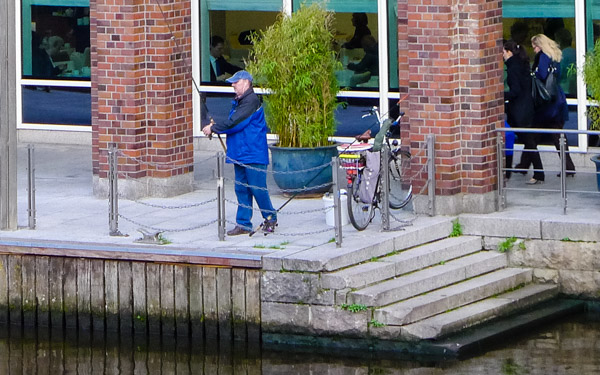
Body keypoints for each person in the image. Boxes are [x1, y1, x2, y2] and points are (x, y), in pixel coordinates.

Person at [202, 70, 277, 236]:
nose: (233, 85)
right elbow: (234, 123)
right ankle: (243, 224)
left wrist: (213, 128)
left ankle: (270, 218)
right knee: (241, 189)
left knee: (258, 189)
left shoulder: (250, 101)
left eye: (236, 82)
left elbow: (236, 123)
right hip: (241, 153)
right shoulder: (241, 101)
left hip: (253, 153)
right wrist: (219, 127)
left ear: (246, 82)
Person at [525, 34, 576, 182]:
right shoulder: (556, 56)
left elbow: (540, 75)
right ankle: (568, 166)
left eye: (534, 46)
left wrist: (531, 74)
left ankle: (527, 167)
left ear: (540, 45)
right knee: (557, 135)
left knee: (532, 134)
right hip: (557, 98)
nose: (534, 50)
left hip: (546, 103)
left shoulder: (543, 57)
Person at [503, 40, 534, 180]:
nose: (502, 56)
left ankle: (539, 173)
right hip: (525, 108)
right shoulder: (522, 64)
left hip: (519, 110)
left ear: (509, 52)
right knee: (528, 141)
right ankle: (530, 169)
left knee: (528, 141)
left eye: (503, 52)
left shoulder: (513, 67)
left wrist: (501, 96)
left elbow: (515, 91)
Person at [555, 28, 576, 96]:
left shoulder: (561, 56)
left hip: (565, 91)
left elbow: (560, 74)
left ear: (559, 43)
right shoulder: (576, 53)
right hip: (577, 90)